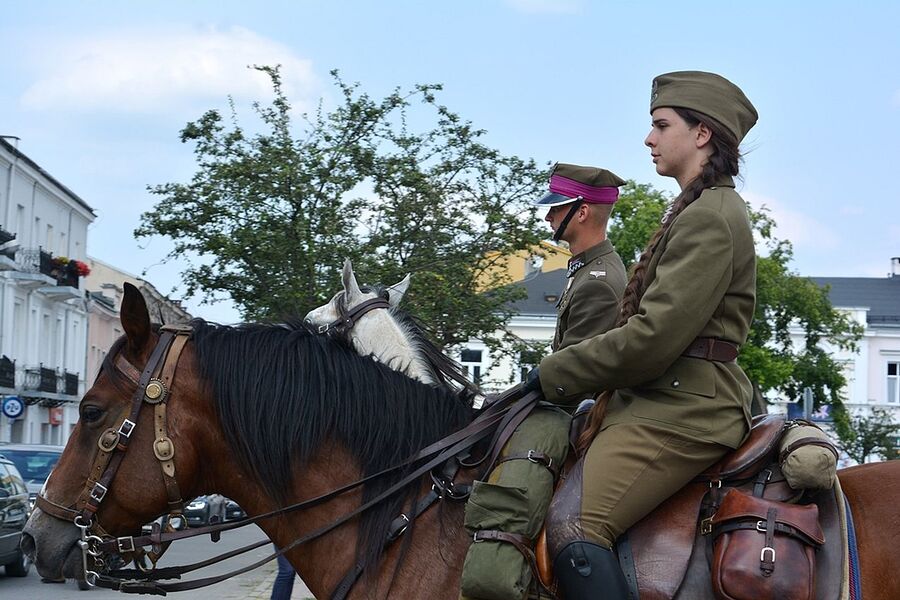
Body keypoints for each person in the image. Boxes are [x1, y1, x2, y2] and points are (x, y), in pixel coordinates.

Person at [525, 71, 758, 599]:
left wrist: (549, 376)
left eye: (660, 125)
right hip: (664, 399)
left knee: (574, 528)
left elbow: (652, 339)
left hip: (685, 409)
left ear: (702, 135)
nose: (649, 139)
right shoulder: (698, 208)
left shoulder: (711, 217)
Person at [534, 163, 628, 352]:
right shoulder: (588, 267)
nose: (547, 217)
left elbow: (571, 369)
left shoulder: (597, 283)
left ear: (582, 213)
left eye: (555, 209)